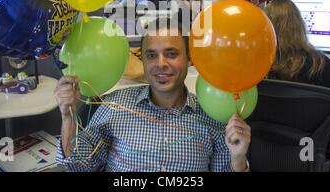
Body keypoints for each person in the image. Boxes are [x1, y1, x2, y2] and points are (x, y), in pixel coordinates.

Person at [55, 18, 251, 172]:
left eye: (171, 54)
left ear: (190, 59)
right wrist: (67, 117)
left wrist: (238, 158)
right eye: (151, 55)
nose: (160, 64)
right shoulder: (115, 105)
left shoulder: (211, 116)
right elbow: (77, 165)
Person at [264, 0, 330, 160]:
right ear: (299, 26)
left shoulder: (256, 66)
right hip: (311, 154)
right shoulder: (319, 64)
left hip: (264, 152)